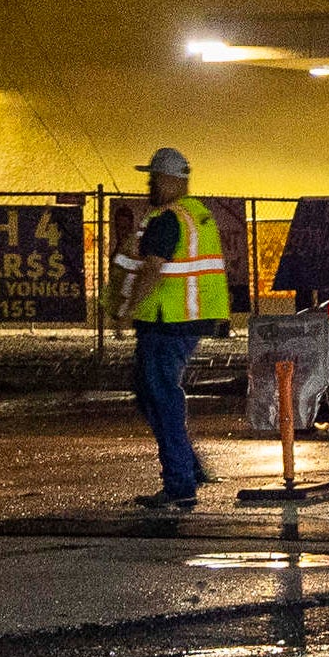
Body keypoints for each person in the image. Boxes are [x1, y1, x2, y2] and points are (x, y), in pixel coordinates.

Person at [111, 148, 230, 508]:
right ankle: (188, 468)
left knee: (161, 398)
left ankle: (179, 484)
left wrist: (127, 309)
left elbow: (152, 269)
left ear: (168, 180)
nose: (148, 184)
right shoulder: (197, 214)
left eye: (152, 178)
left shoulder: (167, 219)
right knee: (151, 394)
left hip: (166, 321)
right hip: (184, 320)